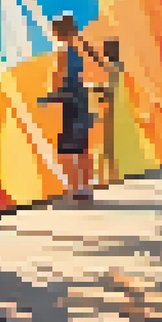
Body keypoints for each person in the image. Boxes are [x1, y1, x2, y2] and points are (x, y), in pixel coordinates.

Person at [40, 14, 104, 201]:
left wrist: (52, 93)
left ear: (58, 32)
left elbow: (59, 75)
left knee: (68, 148)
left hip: (69, 101)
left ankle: (74, 187)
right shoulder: (77, 50)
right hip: (81, 99)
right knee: (83, 147)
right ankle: (85, 186)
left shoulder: (62, 50)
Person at [96, 38, 125, 188]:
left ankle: (104, 178)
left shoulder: (111, 66)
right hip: (114, 107)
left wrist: (96, 88)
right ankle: (112, 176)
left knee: (106, 145)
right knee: (110, 146)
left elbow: (108, 88)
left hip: (109, 107)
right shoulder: (117, 66)